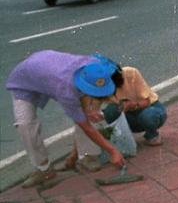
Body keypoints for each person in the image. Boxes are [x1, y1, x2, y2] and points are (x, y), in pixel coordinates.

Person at [6, 51, 124, 187]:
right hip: (26, 80)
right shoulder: (66, 91)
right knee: (25, 125)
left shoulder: (96, 67)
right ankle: (44, 169)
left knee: (90, 113)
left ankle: (87, 155)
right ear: (84, 86)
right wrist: (112, 150)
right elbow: (86, 126)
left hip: (50, 70)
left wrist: (89, 108)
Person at [101, 63, 167, 146]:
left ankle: (152, 135)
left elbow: (146, 102)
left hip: (149, 108)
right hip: (130, 118)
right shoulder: (102, 84)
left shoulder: (131, 73)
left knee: (148, 116)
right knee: (109, 111)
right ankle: (123, 139)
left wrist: (133, 105)